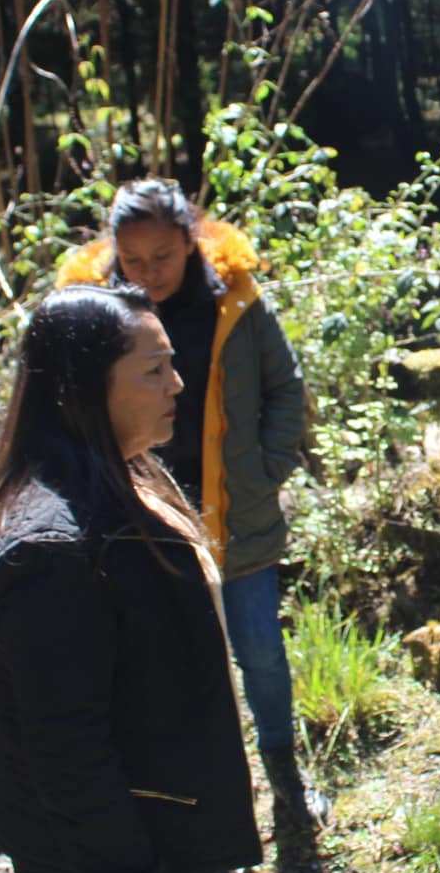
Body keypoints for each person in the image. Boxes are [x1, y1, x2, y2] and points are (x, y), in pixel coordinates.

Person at [0, 285, 261, 873]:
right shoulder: (53, 547)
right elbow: (66, 746)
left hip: (136, 835)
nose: (179, 384)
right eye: (153, 370)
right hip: (107, 859)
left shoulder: (113, 478)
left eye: (173, 365)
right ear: (85, 385)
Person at [55, 181, 320, 825]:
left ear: (191, 244)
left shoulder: (237, 299)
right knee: (161, 659)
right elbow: (60, 402)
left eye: (164, 257)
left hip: (236, 513)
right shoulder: (87, 309)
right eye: (133, 260)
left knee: (259, 649)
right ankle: (190, 797)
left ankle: (284, 770)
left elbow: (285, 388)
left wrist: (264, 468)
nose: (148, 274)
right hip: (132, 520)